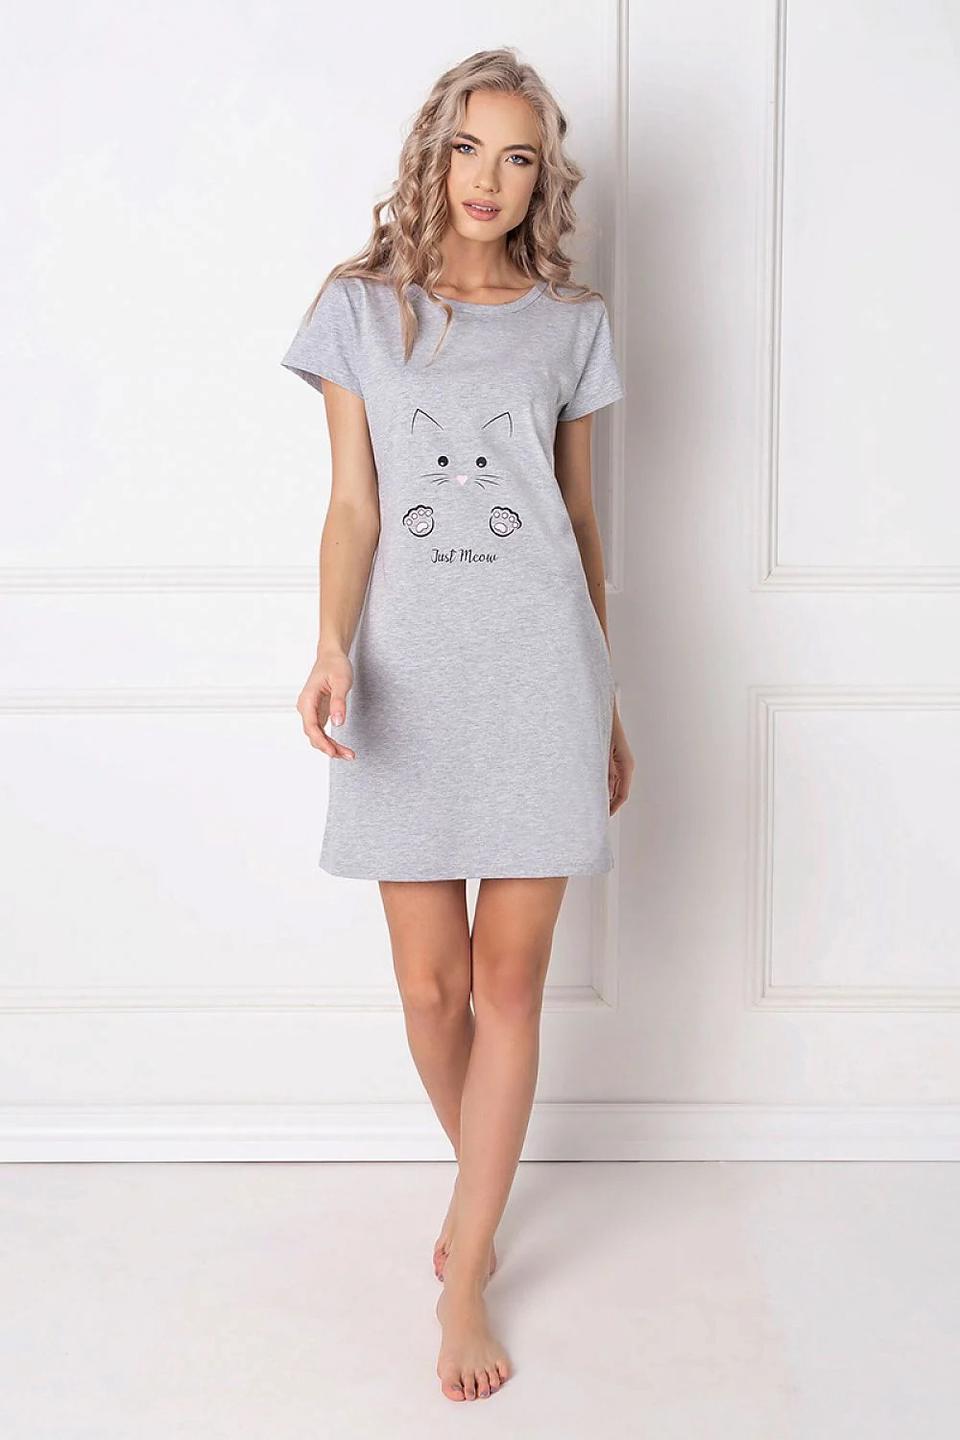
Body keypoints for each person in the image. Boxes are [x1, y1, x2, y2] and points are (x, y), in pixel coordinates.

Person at [281, 46, 634, 1403]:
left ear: (543, 178)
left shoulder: (571, 323)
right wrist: (331, 647)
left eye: (518, 156)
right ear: (432, 155)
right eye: (469, 148)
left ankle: (468, 1266)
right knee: (430, 989)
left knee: (508, 986)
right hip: (410, 680)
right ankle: (480, 1191)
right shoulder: (359, 311)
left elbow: (581, 521)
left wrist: (607, 698)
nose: (489, 179)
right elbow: (353, 506)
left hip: (544, 675)